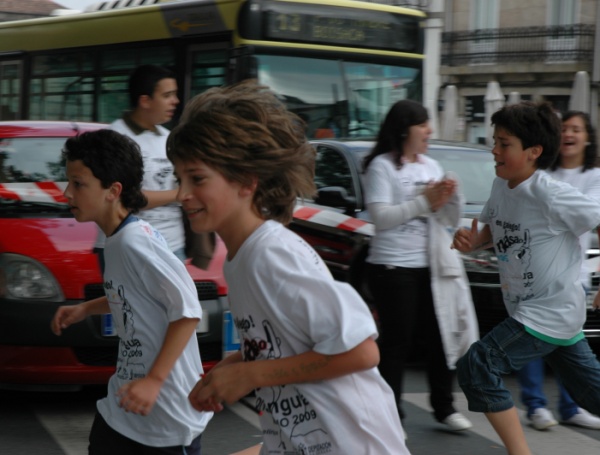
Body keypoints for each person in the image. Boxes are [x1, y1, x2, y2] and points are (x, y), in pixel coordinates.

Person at [167, 80, 411, 455]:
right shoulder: (241, 258)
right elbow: (281, 346)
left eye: (197, 178)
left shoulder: (271, 254)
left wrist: (249, 374)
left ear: (246, 182)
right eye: (179, 178)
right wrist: (228, 370)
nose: (182, 194)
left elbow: (361, 351)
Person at [452, 101, 600, 455]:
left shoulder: (550, 193)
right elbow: (494, 231)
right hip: (539, 312)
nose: (494, 150)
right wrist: (473, 242)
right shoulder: (501, 185)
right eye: (494, 142)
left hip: (548, 311)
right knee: (593, 395)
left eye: (504, 144)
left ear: (534, 151)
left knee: (478, 364)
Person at [51, 129, 212, 454]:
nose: (67, 193)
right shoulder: (116, 239)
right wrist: (85, 309)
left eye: (78, 184)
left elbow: (187, 310)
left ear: (113, 191)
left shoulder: (135, 242)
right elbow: (131, 296)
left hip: (165, 416)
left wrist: (154, 381)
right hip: (125, 403)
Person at [362, 99, 478, 431]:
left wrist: (450, 198)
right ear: (404, 130)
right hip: (392, 267)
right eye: (423, 125)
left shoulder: (431, 166)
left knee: (442, 336)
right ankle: (389, 414)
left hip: (432, 265)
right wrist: (424, 201)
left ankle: (444, 406)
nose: (429, 131)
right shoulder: (382, 166)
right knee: (397, 342)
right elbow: (381, 218)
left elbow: (447, 219)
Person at [516, 110, 600, 431]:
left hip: (574, 276)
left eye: (576, 129)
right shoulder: (542, 173)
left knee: (567, 343)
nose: (569, 134)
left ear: (587, 138)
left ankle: (570, 406)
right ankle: (535, 405)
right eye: (564, 128)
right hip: (535, 272)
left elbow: (590, 217)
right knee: (532, 339)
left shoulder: (595, 176)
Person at [94, 64, 186, 269]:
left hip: (172, 247)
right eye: (167, 95)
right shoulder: (114, 139)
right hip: (128, 247)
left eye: (175, 94)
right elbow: (126, 198)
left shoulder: (169, 138)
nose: (175, 101)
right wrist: (178, 194)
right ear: (145, 101)